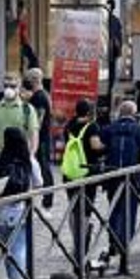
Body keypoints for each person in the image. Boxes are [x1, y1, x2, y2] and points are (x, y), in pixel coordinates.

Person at [0, 127, 42, 279]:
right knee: (19, 245)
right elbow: (39, 184)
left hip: (1, 211)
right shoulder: (30, 160)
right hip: (22, 209)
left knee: (6, 247)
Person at [98, 100, 140, 270]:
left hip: (113, 176)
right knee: (130, 210)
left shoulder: (109, 129)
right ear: (134, 114)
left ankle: (114, 240)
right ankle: (125, 245)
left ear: (120, 113)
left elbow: (101, 148)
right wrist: (138, 164)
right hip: (134, 178)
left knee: (114, 208)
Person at [63, 99, 104, 259]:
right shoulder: (91, 126)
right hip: (87, 172)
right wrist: (105, 146)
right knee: (85, 208)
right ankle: (82, 242)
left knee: (73, 206)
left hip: (70, 171)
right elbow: (95, 146)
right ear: (89, 112)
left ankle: (76, 240)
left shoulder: (69, 125)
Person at [0, 73, 38, 160]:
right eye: (6, 86)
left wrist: (31, 156)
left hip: (19, 159)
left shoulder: (27, 109)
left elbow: (33, 135)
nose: (9, 89)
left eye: (13, 86)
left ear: (19, 88)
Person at [23, 68, 53, 209]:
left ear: (34, 80)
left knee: (43, 166)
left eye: (28, 79)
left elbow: (38, 120)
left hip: (41, 139)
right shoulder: (42, 95)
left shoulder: (39, 97)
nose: (27, 82)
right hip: (42, 137)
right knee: (42, 166)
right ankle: (45, 197)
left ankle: (47, 199)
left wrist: (33, 136)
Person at [16, 0, 40, 73]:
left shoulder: (21, 16)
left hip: (22, 41)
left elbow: (23, 30)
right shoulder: (21, 17)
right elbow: (22, 31)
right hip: (22, 41)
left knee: (25, 57)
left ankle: (28, 69)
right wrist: (26, 40)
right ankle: (30, 70)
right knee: (29, 56)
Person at [107, 0, 124, 100]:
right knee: (111, 73)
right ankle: (110, 91)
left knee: (110, 72)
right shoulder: (116, 20)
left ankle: (109, 91)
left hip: (108, 51)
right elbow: (120, 38)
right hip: (112, 52)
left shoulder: (104, 19)